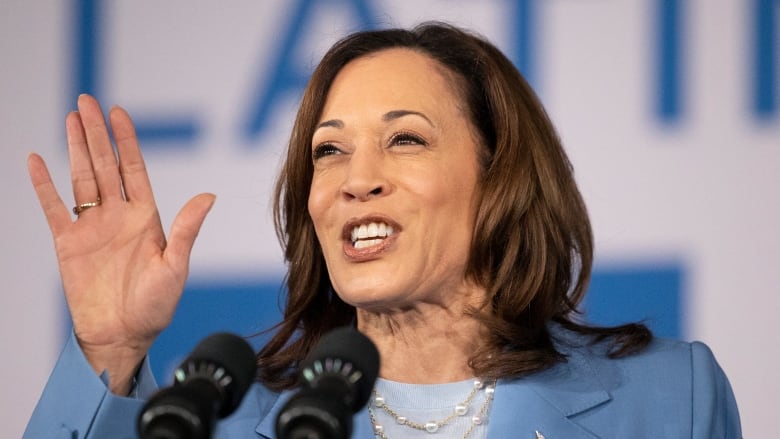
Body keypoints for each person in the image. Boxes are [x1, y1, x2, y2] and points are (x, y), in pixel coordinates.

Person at [24, 22, 740, 438]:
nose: (354, 179)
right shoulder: (229, 419)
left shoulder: (670, 398)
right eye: (328, 150)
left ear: (500, 175)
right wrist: (111, 348)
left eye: (405, 139)